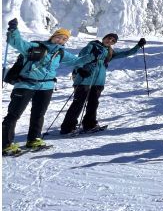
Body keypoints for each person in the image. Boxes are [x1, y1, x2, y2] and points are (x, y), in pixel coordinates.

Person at [2, 19, 95, 155]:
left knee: (39, 114)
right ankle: (6, 144)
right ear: (53, 36)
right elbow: (17, 42)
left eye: (64, 39)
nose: (60, 40)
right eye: (59, 37)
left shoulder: (60, 53)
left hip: (46, 87)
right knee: (14, 114)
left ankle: (33, 140)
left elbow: (76, 61)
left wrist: (92, 56)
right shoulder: (36, 46)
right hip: (26, 84)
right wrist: (13, 30)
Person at [60, 33, 146, 135]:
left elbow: (126, 53)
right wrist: (80, 69)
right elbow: (79, 59)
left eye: (113, 41)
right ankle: (67, 128)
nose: (110, 41)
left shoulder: (109, 52)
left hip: (98, 82)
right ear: (104, 38)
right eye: (109, 38)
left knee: (93, 104)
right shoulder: (91, 46)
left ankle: (89, 125)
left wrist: (138, 46)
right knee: (78, 103)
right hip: (84, 80)